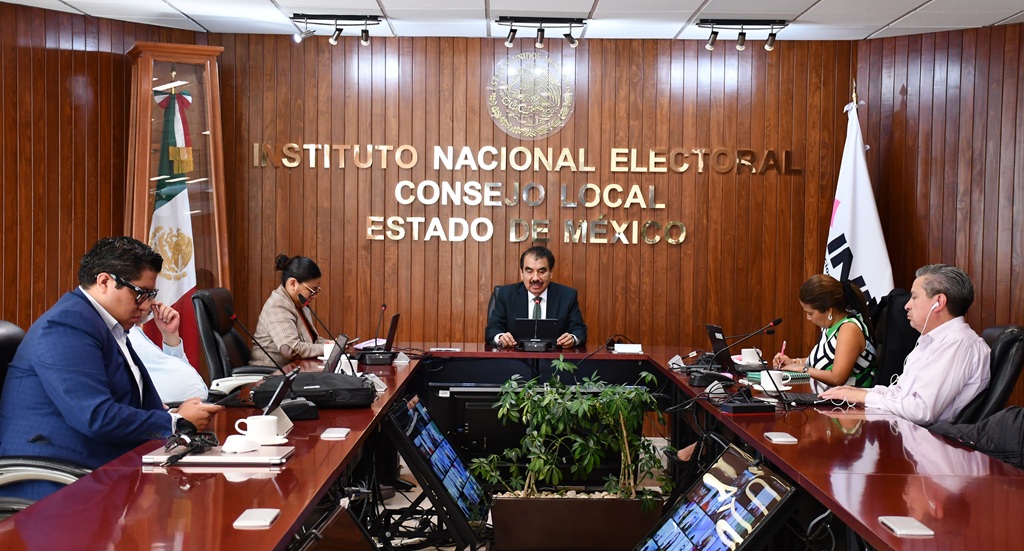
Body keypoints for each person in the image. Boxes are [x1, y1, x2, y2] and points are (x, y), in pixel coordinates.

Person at [0, 237, 222, 500]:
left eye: (151, 295)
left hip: (98, 461)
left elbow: (120, 398)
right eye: (140, 293)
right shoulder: (66, 325)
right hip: (53, 476)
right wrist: (175, 422)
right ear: (105, 281)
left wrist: (168, 414)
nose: (147, 305)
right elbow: (96, 416)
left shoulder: (106, 324)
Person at [821, 264, 991, 425]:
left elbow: (921, 411)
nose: (907, 305)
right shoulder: (933, 341)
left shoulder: (958, 344)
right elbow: (900, 393)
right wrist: (858, 392)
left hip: (929, 446)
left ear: (938, 302)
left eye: (914, 297)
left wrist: (864, 398)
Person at [772, 274, 877, 390]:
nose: (808, 318)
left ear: (829, 310)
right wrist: (793, 362)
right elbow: (822, 361)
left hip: (851, 404)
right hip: (827, 398)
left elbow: (837, 378)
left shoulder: (849, 329)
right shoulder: (830, 326)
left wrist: (803, 369)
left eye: (811, 313)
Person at [485, 246, 587, 348]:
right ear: (522, 273)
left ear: (551, 273)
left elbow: (579, 330)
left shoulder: (567, 296)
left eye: (542, 272)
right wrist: (500, 337)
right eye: (529, 271)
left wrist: (572, 339)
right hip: (516, 359)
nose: (535, 278)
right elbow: (492, 329)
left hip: (553, 360)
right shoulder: (506, 294)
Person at [250, 254, 331, 367]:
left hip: (293, 370)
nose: (314, 296)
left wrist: (331, 344)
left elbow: (310, 343)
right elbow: (290, 349)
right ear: (293, 283)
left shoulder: (299, 303)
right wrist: (328, 349)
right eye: (312, 291)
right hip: (270, 374)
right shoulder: (278, 305)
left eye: (317, 290)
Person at [128, 301, 209, 404]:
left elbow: (169, 368)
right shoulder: (113, 333)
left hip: (193, 406)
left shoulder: (133, 330)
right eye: (144, 294)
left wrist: (170, 336)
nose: (153, 302)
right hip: (168, 414)